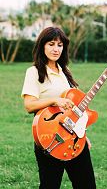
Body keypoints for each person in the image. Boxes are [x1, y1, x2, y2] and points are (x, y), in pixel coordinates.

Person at [21, 27, 96, 189]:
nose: (56, 49)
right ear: (42, 46)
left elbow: (72, 110)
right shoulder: (34, 72)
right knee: (50, 185)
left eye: (60, 45)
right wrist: (55, 100)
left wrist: (81, 133)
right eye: (51, 44)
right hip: (48, 137)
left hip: (74, 138)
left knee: (87, 184)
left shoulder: (65, 72)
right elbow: (29, 105)